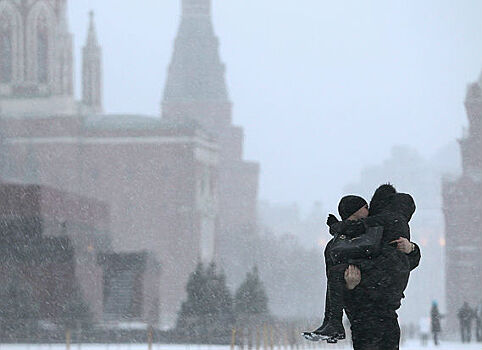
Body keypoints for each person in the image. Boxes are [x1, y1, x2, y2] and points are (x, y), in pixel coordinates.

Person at [304, 184, 421, 348]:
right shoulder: (337, 245)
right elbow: (334, 288)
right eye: (365, 207)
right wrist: (350, 287)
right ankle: (331, 323)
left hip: (385, 314)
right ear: (355, 212)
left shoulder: (376, 233)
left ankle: (332, 323)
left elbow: (401, 263)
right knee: (336, 273)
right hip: (363, 315)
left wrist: (411, 248)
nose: (369, 210)